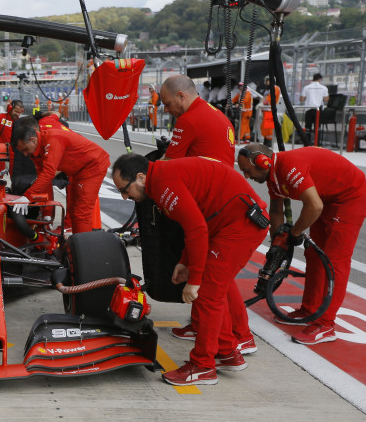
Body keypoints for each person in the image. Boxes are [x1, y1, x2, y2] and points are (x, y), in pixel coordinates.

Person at [113, 154, 268, 386]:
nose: (125, 197)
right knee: (213, 291)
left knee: (207, 293)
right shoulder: (160, 179)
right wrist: (185, 262)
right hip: (225, 222)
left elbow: (197, 228)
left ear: (140, 177)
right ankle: (226, 352)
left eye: (125, 190)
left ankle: (203, 366)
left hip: (240, 224)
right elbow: (195, 222)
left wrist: (194, 279)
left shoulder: (164, 184)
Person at [160, 75, 256, 354]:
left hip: (212, 207)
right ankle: (204, 324)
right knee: (217, 274)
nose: (167, 110)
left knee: (215, 277)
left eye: (167, 104)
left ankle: (240, 334)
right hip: (224, 198)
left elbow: (168, 165)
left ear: (181, 96)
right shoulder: (217, 115)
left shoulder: (189, 121)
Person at [238, 144, 366, 345]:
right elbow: (276, 212)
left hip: (349, 197)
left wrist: (295, 233)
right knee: (314, 255)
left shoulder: (289, 167)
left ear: (262, 162)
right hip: (326, 197)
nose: (246, 176)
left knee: (334, 259)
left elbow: (314, 206)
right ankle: (309, 309)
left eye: (247, 170)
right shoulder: (273, 178)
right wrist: (278, 245)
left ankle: (326, 324)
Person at [10, 121, 109, 234]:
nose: (24, 154)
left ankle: (83, 247)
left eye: (25, 149)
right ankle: (76, 243)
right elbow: (44, 181)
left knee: (81, 213)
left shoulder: (53, 140)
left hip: (93, 166)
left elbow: (49, 173)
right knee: (73, 212)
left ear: (33, 140)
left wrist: (27, 197)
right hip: (76, 170)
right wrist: (47, 213)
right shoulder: (36, 153)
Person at [160, 75, 235, 164]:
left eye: (168, 104)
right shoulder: (217, 113)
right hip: (225, 174)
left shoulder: (187, 119)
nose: (165, 110)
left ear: (181, 96)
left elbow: (167, 163)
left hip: (206, 176)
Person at [260, 77, 281, 148]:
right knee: (264, 127)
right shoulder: (269, 89)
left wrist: (265, 102)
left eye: (268, 81)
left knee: (268, 127)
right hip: (266, 109)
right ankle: (266, 140)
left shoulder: (275, 88)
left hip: (270, 110)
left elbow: (271, 97)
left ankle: (268, 142)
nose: (266, 83)